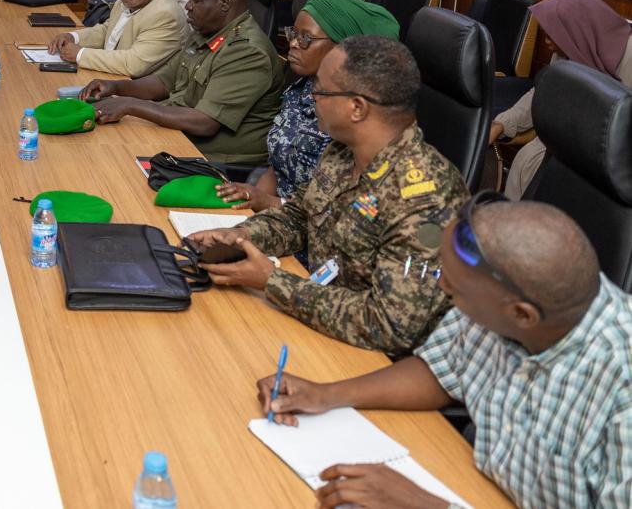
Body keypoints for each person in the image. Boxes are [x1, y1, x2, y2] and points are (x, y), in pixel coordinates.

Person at [256, 198, 632, 509]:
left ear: (522, 315)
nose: (440, 287)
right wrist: (326, 395)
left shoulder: (621, 389)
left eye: (453, 290)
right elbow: (441, 368)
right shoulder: (510, 301)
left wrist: (423, 505)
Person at [190, 37, 468, 355]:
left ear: (357, 108)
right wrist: (239, 237)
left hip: (376, 359)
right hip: (319, 321)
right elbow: (299, 217)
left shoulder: (426, 197)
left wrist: (273, 281)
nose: (312, 97)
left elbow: (390, 326)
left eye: (321, 90)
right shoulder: (343, 150)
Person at [217, 0, 401, 212]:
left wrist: (269, 204)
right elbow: (276, 169)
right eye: (293, 33)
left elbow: (349, 212)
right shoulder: (300, 89)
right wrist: (249, 212)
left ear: (343, 49)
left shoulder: (357, 116)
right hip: (276, 220)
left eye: (306, 38)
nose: (293, 43)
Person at [81, 0, 283, 164]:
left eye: (196, 0)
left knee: (107, 158)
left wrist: (129, 105)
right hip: (178, 135)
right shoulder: (207, 31)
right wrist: (116, 87)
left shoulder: (246, 52)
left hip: (211, 158)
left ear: (224, 3)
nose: (188, 6)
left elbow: (205, 123)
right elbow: (163, 82)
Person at [491, 0, 632, 199]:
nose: (547, 42)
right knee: (526, 160)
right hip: (571, 136)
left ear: (577, 30)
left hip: (609, 155)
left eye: (551, 34)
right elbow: (543, 94)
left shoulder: (629, 58)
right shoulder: (569, 46)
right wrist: (502, 124)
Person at [46, 0, 186, 77]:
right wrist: (73, 37)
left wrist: (80, 54)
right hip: (113, 78)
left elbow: (133, 64)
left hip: (140, 91)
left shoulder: (165, 15)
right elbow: (108, 30)